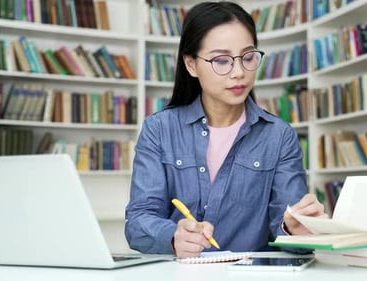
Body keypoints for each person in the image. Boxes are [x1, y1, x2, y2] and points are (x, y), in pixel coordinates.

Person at [125, 1, 324, 258]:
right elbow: (138, 220)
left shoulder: (279, 136)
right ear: (191, 65)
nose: (239, 72)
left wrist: (293, 229)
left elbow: (285, 233)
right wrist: (173, 237)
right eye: (221, 60)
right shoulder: (159, 129)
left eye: (249, 57)